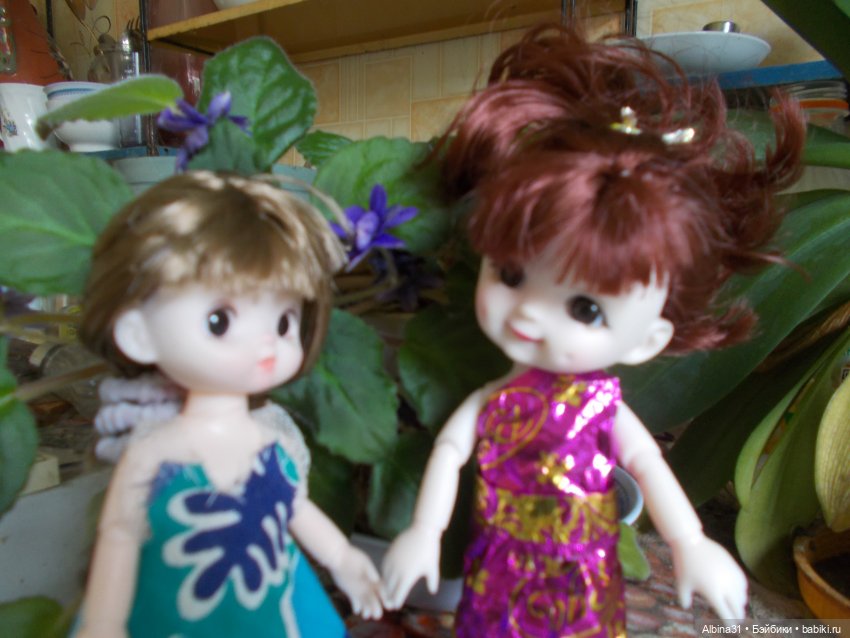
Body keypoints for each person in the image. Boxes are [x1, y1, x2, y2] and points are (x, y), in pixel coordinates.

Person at [381, 24, 805, 637]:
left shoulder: (601, 408)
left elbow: (648, 466)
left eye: (584, 309)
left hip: (579, 574)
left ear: (647, 340)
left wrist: (690, 542)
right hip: (500, 566)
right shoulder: (493, 401)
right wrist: (424, 533)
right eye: (511, 273)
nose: (529, 314)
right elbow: (450, 453)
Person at [75, 171, 382, 637]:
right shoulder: (153, 453)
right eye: (219, 321)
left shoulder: (272, 441)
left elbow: (294, 507)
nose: (266, 344)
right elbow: (119, 535)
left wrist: (342, 557)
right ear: (138, 335)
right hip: (183, 613)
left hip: (269, 605)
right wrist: (104, 622)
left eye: (284, 321)